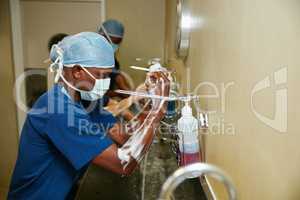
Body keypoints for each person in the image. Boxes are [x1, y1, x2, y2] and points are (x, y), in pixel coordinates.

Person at [8, 32, 169, 200]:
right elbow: (123, 163)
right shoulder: (57, 109)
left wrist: (151, 105)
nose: (106, 82)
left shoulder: (85, 99)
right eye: (102, 75)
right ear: (77, 71)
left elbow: (124, 136)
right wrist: (159, 110)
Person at [97, 19, 131, 98]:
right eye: (112, 42)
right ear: (101, 36)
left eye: (117, 43)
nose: (115, 46)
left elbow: (119, 79)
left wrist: (133, 94)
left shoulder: (112, 60)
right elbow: (93, 92)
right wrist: (118, 93)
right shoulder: (89, 58)